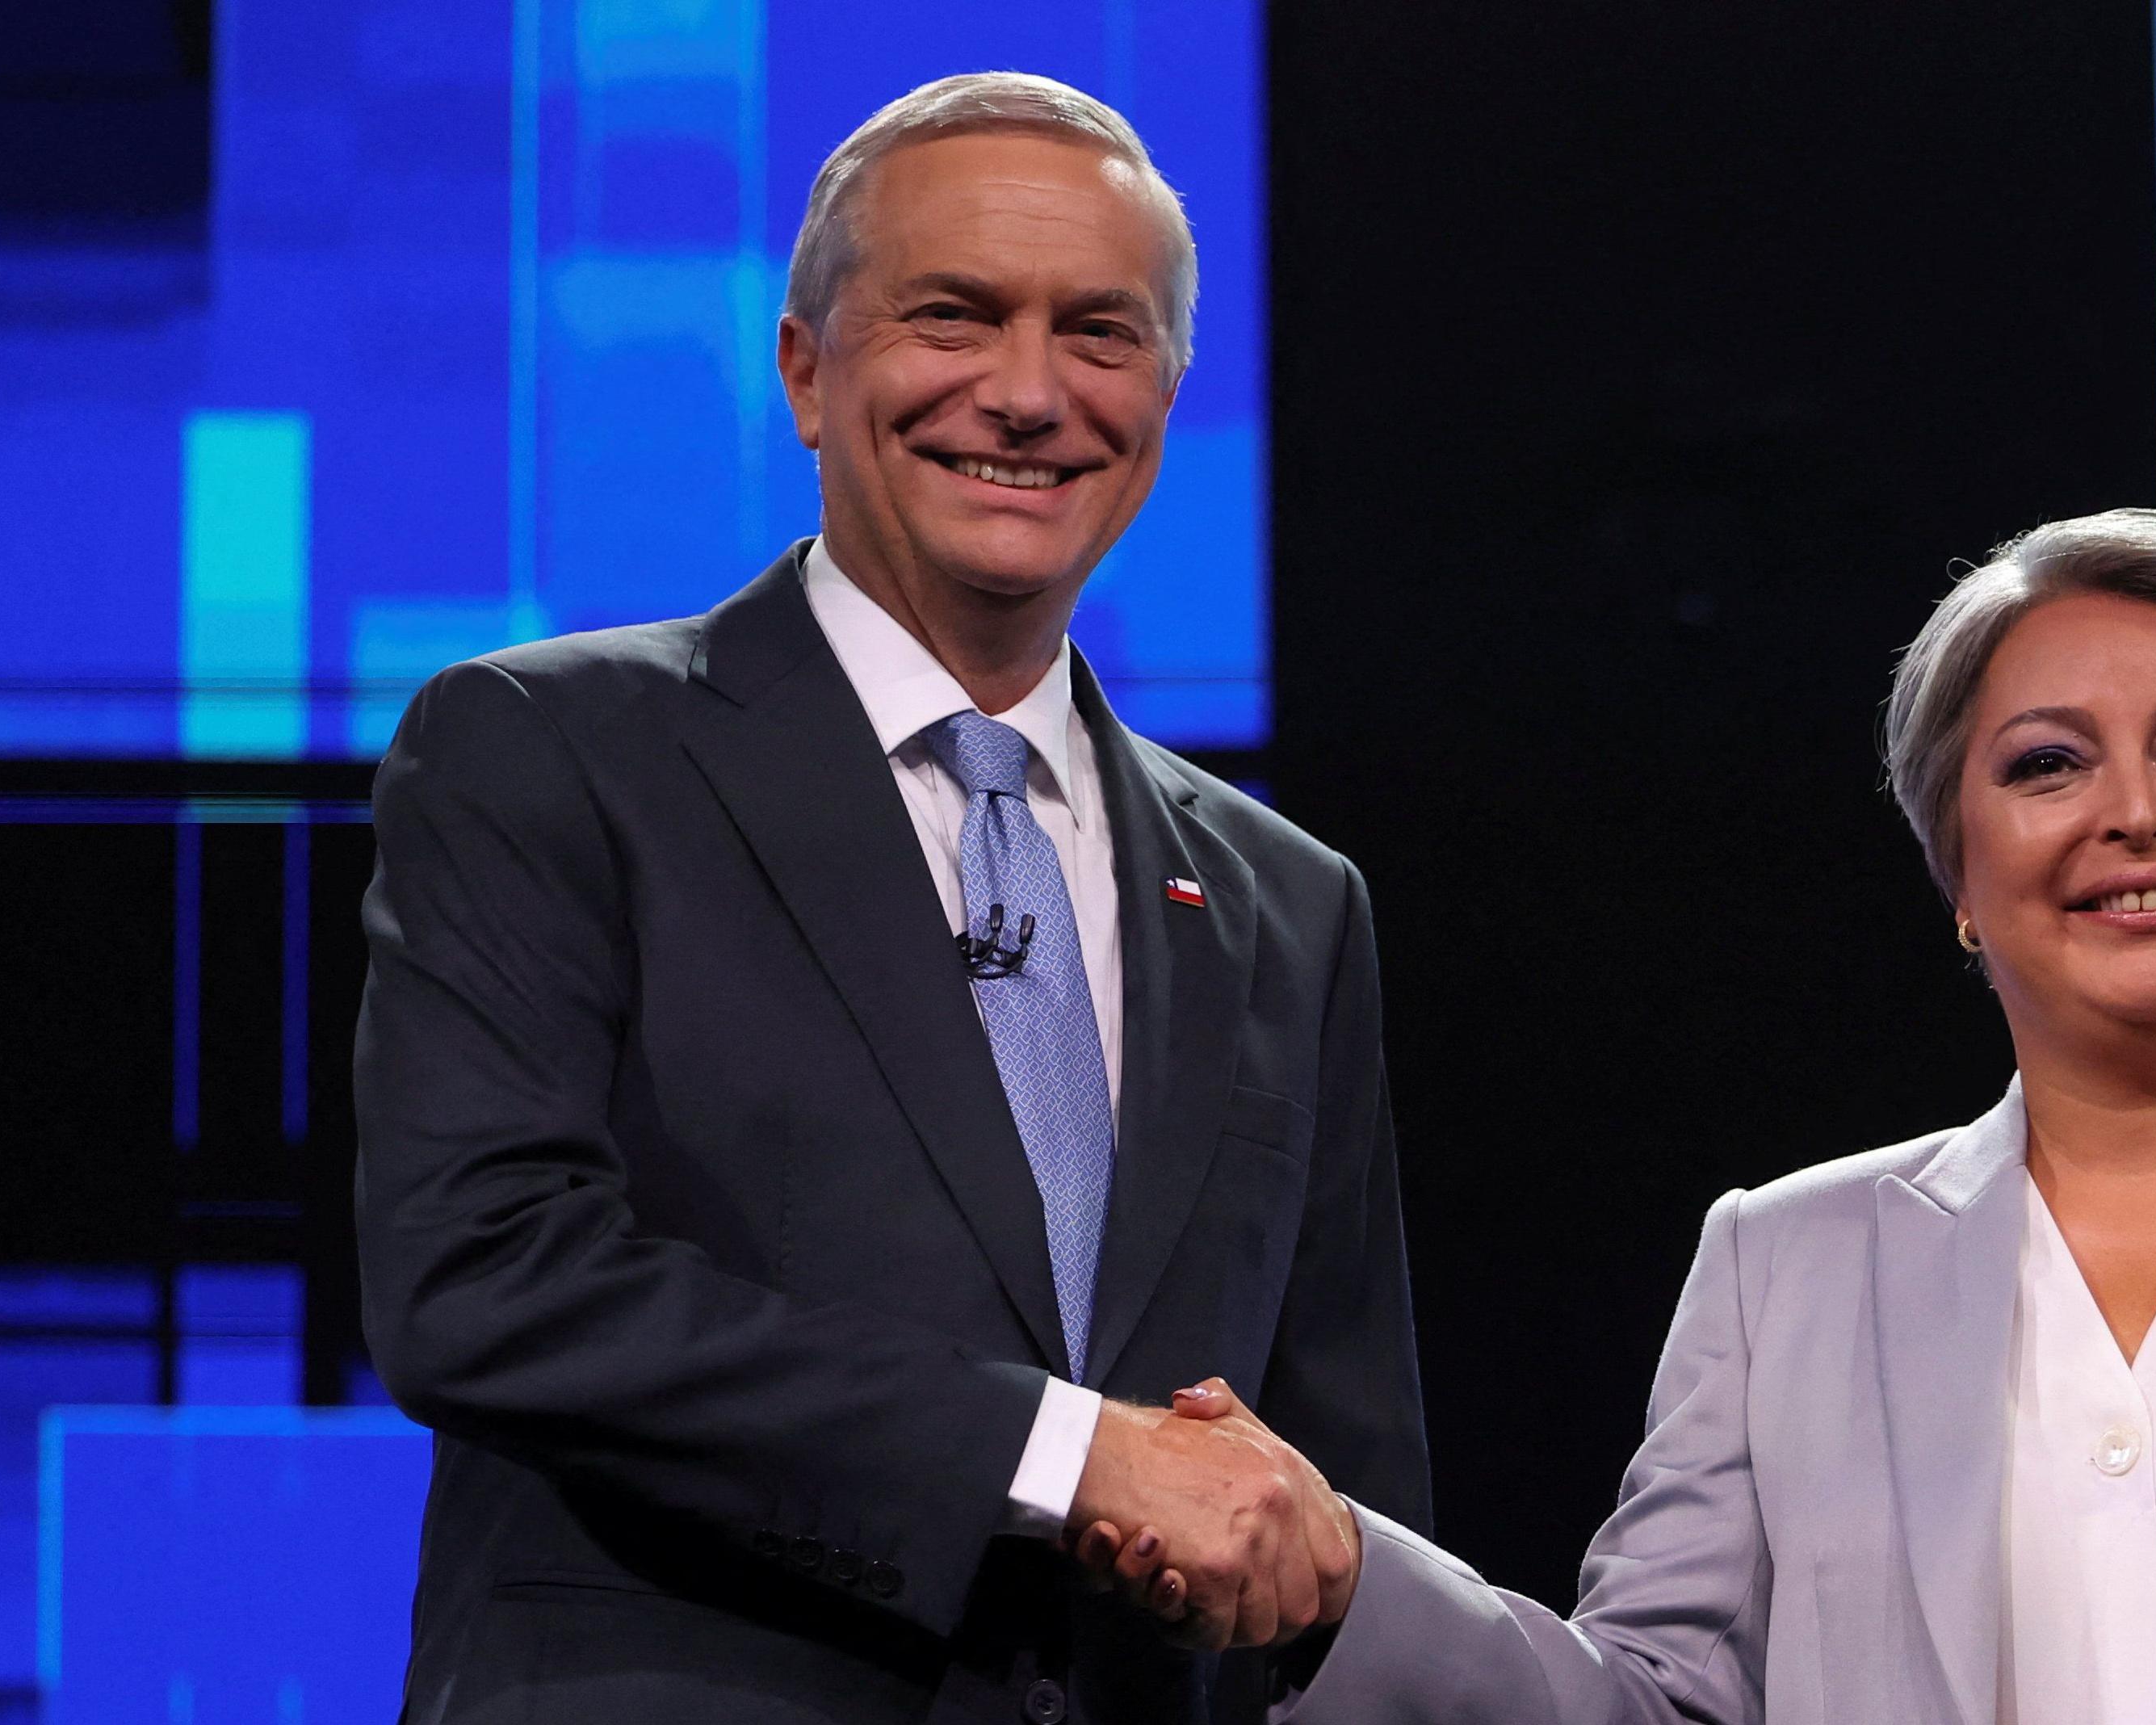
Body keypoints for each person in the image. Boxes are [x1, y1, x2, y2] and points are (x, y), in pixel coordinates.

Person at [1097, 510, 2156, 1723]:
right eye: (2047, 766)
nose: (2135, 813)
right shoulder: (1784, 1264)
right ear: (1959, 877)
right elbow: (1648, 1711)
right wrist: (1347, 1584)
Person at [354, 73, 1420, 1723]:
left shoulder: (1290, 903)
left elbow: (1336, 1484)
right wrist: (1065, 1453)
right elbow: (484, 1281)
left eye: (1100, 333)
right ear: (803, 368)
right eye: (954, 315)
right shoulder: (550, 753)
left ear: (1166, 393)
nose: (1024, 392)